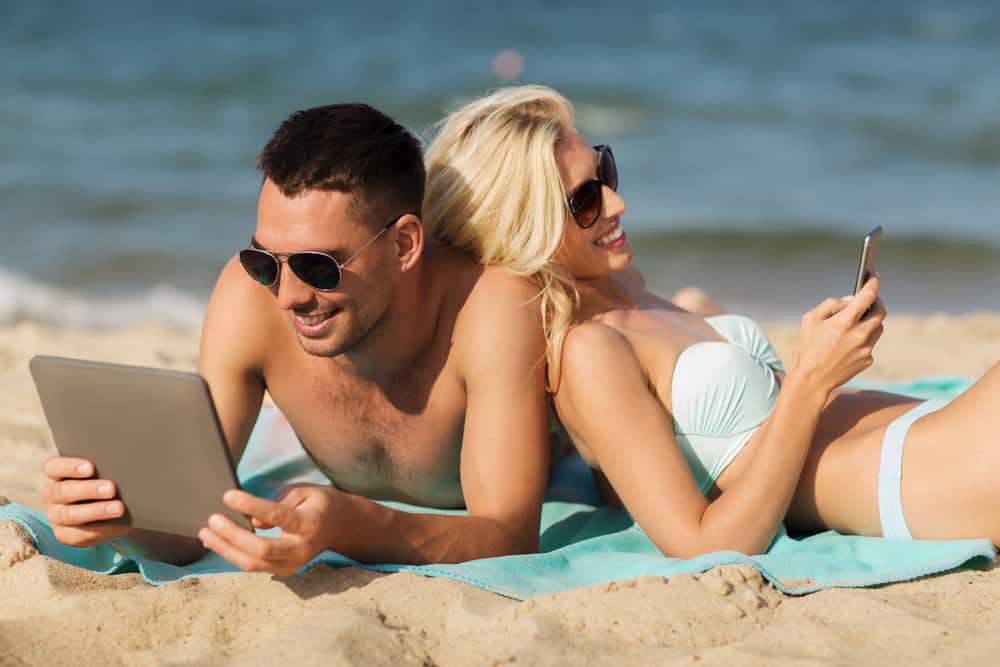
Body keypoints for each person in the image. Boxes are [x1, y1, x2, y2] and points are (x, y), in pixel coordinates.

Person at [423, 85, 1000, 559]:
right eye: (584, 202)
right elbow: (704, 543)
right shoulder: (587, 355)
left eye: (606, 172)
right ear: (526, 229)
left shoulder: (629, 290)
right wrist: (809, 381)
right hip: (922, 477)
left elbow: (625, 463)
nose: (617, 205)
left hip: (934, 429)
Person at [39, 103, 553, 573]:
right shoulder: (249, 300)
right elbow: (191, 526)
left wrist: (355, 526)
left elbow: (509, 537)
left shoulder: (491, 309)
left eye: (317, 266)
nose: (287, 296)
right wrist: (120, 521)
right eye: (265, 262)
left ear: (403, 245)